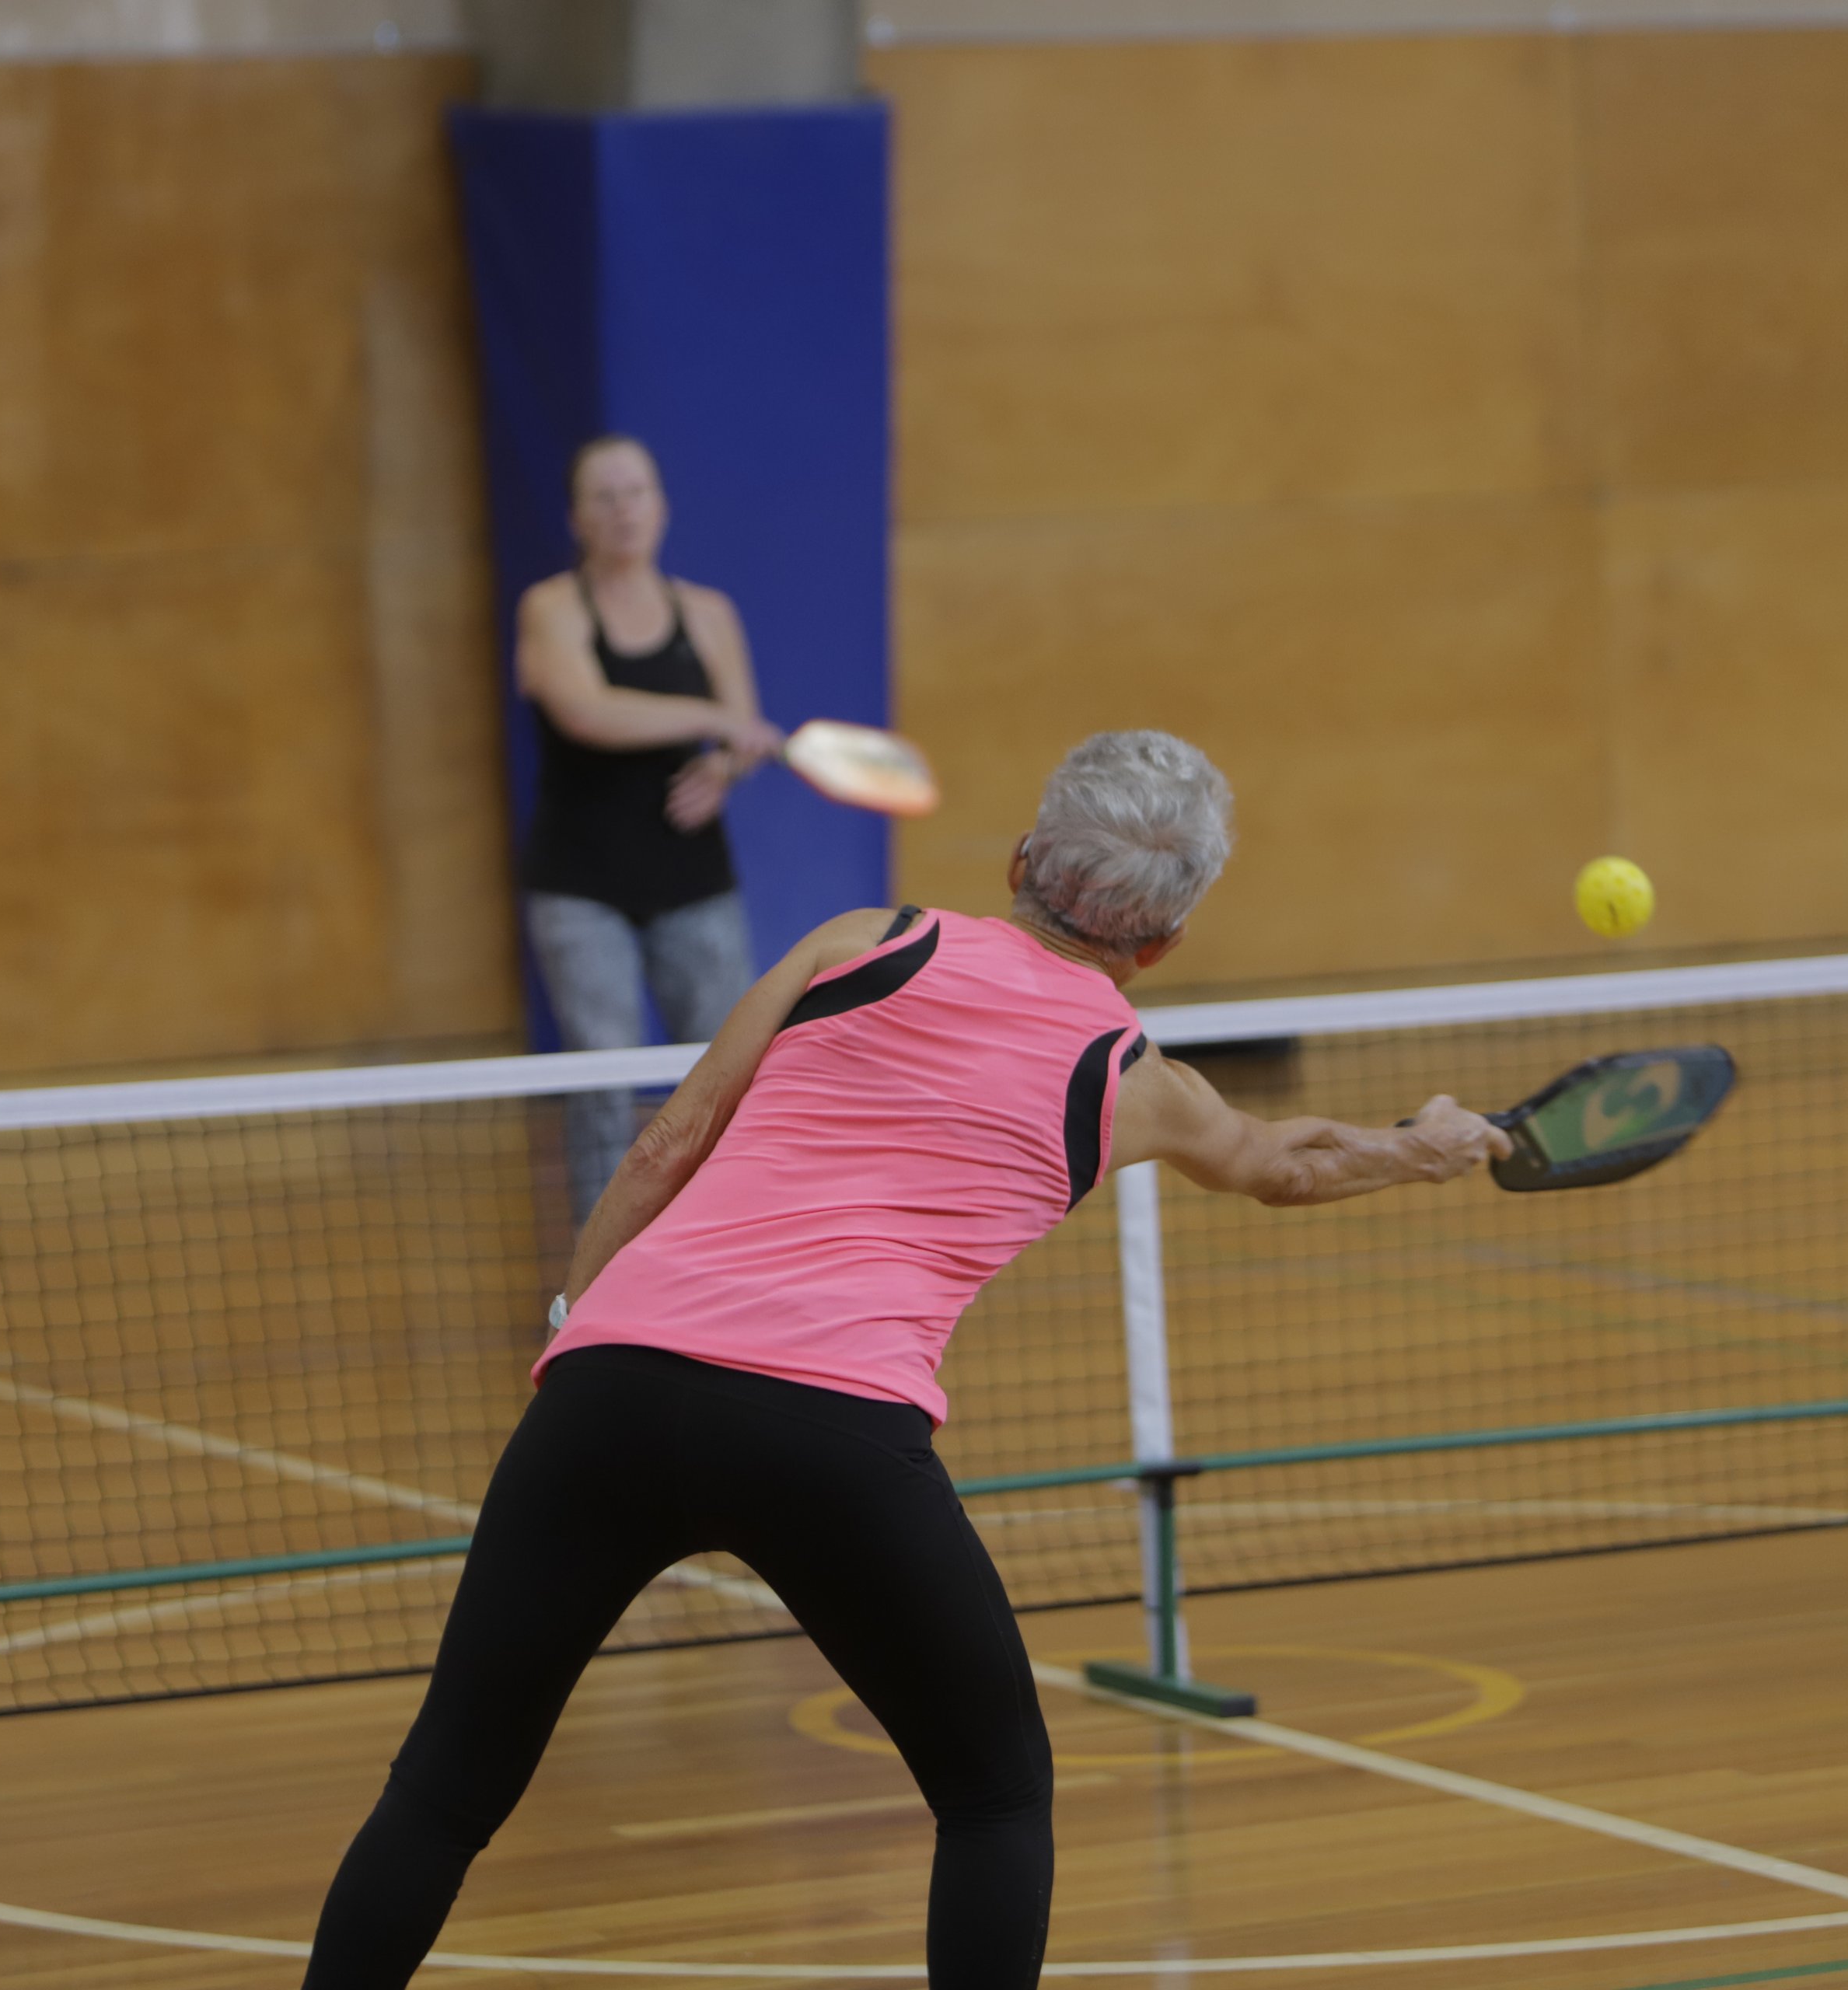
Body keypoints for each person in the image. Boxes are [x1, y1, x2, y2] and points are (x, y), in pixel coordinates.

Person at [301, 731, 1512, 1987]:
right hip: (828, 1431)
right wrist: (1417, 1146)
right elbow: (1283, 1162)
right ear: (1164, 946)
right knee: (995, 1795)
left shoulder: (863, 940)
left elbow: (666, 1145)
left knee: (446, 1789)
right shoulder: (1135, 1079)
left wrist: (574, 1340)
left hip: (608, 1389)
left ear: (1020, 860)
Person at [515, 434, 785, 1219]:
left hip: (692, 876)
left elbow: (743, 735)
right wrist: (716, 721)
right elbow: (586, 710)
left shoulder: (707, 614)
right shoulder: (551, 607)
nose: (623, 510)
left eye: (636, 493)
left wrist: (727, 765)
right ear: (577, 518)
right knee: (601, 1072)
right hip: (579, 880)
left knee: (726, 1066)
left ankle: (719, 1233)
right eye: (604, 496)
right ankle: (597, 1275)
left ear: (661, 507)